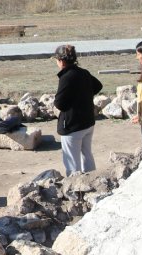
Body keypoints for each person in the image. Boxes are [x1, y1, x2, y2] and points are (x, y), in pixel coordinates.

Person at [52, 44, 103, 176]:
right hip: (87, 122)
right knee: (87, 155)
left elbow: (59, 103)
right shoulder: (83, 73)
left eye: (57, 60)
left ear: (61, 61)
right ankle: (93, 182)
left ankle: (76, 191)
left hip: (72, 126)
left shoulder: (66, 77)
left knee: (72, 163)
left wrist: (73, 102)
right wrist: (84, 97)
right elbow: (98, 86)